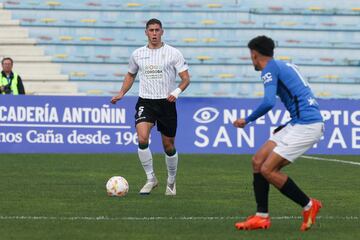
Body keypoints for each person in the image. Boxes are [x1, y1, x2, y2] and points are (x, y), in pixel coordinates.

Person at [233, 36, 324, 231]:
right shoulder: (285, 65)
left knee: (268, 170)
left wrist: (247, 120)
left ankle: (309, 205)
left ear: (254, 54)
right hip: (298, 121)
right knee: (258, 161)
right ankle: (261, 216)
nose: (252, 60)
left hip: (307, 125)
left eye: (251, 56)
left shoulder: (269, 69)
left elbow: (268, 102)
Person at [111, 18, 190, 196]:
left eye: (157, 30)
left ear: (162, 32)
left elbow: (186, 79)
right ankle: (151, 178)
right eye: (151, 30)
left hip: (166, 103)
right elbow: (131, 75)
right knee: (142, 138)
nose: (154, 33)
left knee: (168, 146)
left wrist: (176, 92)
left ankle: (171, 180)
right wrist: (122, 92)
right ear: (146, 32)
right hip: (145, 101)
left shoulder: (173, 53)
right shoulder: (137, 54)